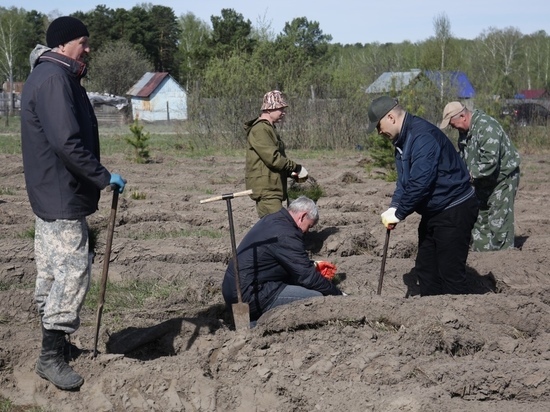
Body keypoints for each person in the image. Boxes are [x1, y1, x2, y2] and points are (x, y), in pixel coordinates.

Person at [20, 16, 127, 390]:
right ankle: (51, 357)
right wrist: (102, 176)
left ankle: (57, 347)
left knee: (51, 271)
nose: (88, 48)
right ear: (64, 44)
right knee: (72, 272)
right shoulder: (53, 80)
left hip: (50, 191)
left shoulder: (54, 74)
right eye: (83, 41)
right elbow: (67, 143)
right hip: (61, 193)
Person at [367, 96, 478, 296]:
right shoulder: (402, 141)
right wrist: (394, 206)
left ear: (391, 117)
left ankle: (459, 320)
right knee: (426, 268)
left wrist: (400, 212)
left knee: (450, 272)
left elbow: (421, 182)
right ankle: (431, 316)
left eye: (378, 125)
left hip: (454, 208)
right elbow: (404, 182)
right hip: (435, 210)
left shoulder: (422, 136)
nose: (379, 131)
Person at [222, 196, 342, 323]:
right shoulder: (287, 234)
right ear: (302, 216)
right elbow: (307, 277)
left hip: (232, 289)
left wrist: (311, 265)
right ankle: (258, 324)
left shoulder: (273, 219)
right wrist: (336, 295)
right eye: (309, 226)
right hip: (249, 296)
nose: (307, 231)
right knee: (316, 298)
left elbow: (285, 260)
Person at [440, 102, 521, 251]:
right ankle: (483, 257)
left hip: (501, 180)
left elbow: (490, 161)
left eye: (453, 124)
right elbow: (465, 156)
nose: (452, 128)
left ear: (463, 116)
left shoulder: (486, 127)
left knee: (499, 221)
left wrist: (467, 176)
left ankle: (503, 258)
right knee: (479, 220)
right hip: (481, 181)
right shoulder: (465, 131)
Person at [245, 90, 308, 218]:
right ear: (268, 110)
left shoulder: (268, 128)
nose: (283, 112)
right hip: (266, 190)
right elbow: (273, 159)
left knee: (277, 227)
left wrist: (290, 173)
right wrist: (296, 167)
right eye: (280, 108)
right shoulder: (260, 129)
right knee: (277, 226)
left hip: (272, 188)